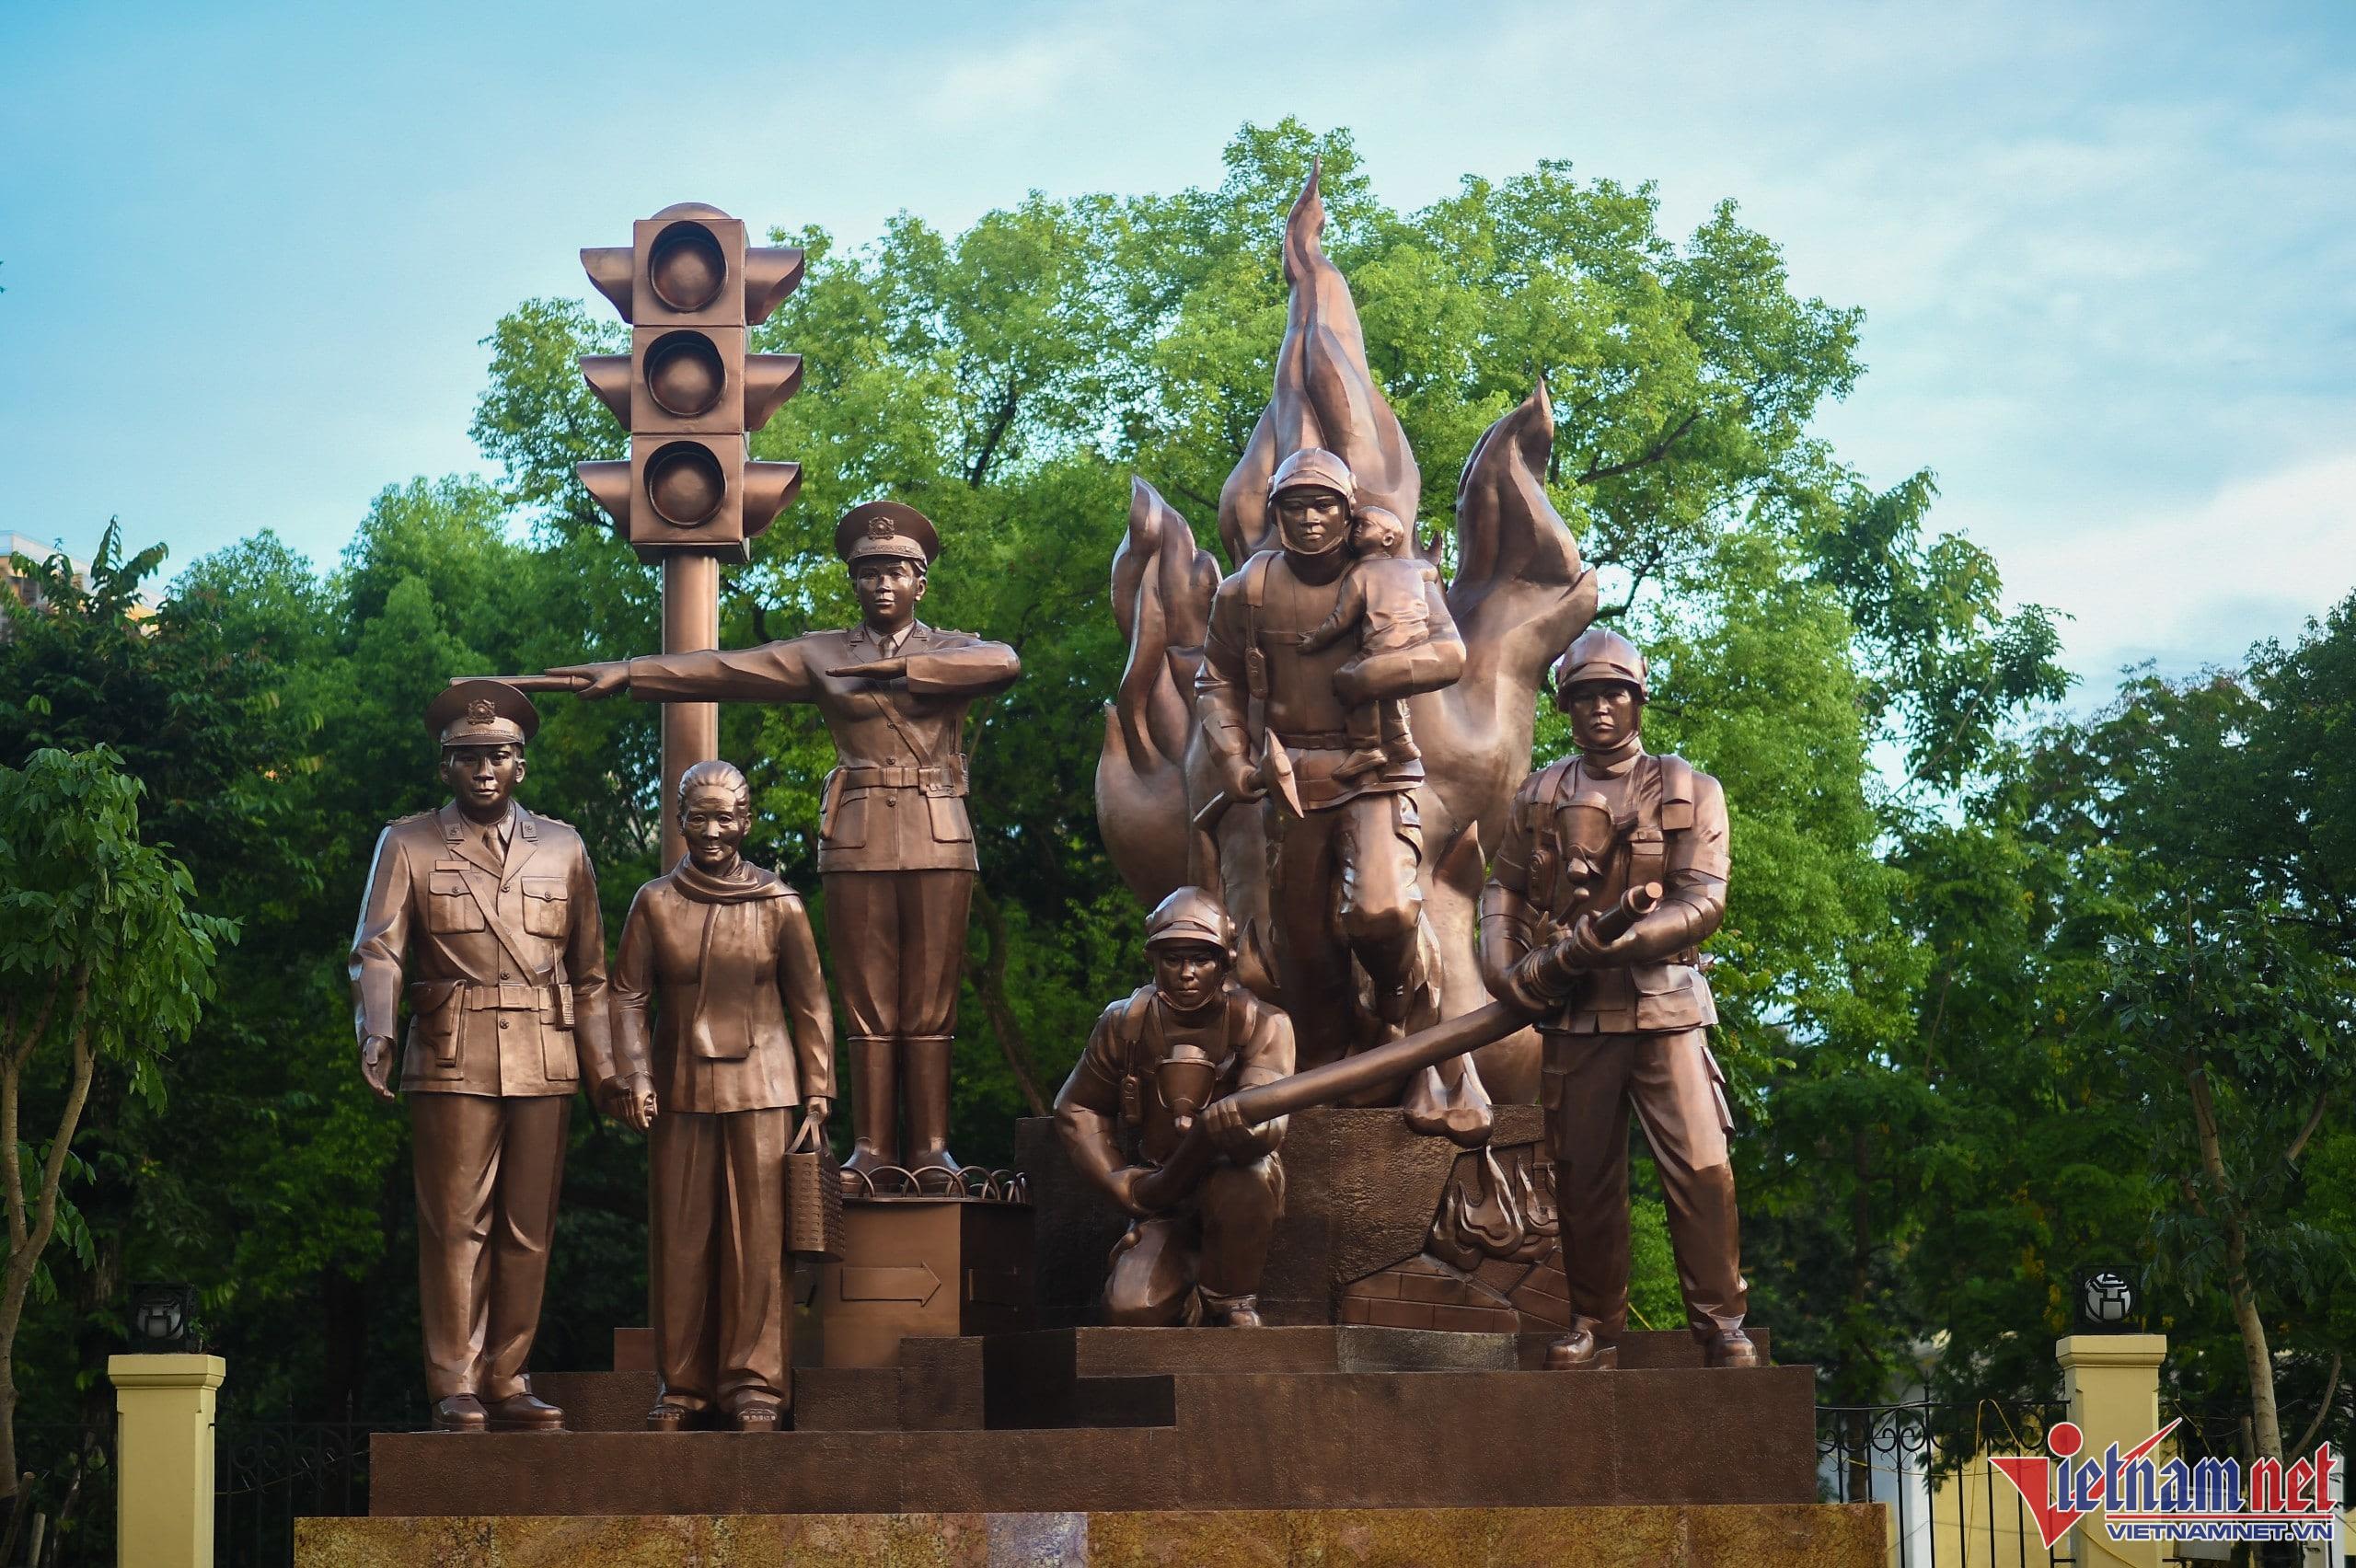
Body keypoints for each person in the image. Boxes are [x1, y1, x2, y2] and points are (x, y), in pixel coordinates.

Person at [546, 502, 1021, 1191]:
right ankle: (871, 1148)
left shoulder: (953, 648)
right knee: (868, 1001)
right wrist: (631, 673)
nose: (881, 585)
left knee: (930, 1002)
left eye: (895, 572)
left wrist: (899, 673)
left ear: (920, 583)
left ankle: (932, 1149)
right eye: (868, 574)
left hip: (938, 828)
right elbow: (722, 669)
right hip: (857, 834)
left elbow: (1005, 662)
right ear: (853, 583)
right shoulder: (823, 653)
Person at [349, 679, 646, 1432]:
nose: (485, 769)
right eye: (468, 756)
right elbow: (379, 950)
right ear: (445, 767)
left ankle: (508, 1377)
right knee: (455, 1225)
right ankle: (456, 1382)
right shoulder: (408, 842)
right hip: (451, 1053)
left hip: (545, 1056)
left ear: (521, 765)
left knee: (527, 1227)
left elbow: (590, 976)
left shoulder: (564, 847)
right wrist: (377, 1030)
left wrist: (607, 1073)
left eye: (499, 755)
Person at [1478, 627, 1760, 1370]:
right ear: (1565, 706)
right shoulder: (1540, 793)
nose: (1599, 708)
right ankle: (1594, 1325)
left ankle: (1722, 1324)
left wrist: (1622, 942)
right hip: (1575, 1013)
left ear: (1638, 700)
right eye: (1583, 696)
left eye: (1613, 694)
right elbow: (1504, 889)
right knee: (1582, 1179)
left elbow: (1703, 899)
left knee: (1702, 1167)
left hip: (1666, 1007)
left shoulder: (1688, 789)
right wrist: (1503, 967)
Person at [1195, 448, 1487, 1141]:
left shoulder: (1394, 575)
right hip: (1292, 780)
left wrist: (1378, 675)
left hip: (1376, 772)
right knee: (1302, 942)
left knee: (1383, 910)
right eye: (1294, 506)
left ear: (1348, 511)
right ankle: (1327, 1068)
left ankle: (1399, 1018)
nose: (1309, 519)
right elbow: (1216, 680)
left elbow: (1450, 654)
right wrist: (1234, 761)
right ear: (1277, 512)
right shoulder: (1246, 590)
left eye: (1323, 504)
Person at [612, 760, 833, 1432]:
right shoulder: (654, 903)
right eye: (700, 818)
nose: (712, 832)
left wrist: (818, 1094)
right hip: (678, 1086)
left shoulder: (779, 903)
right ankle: (681, 1385)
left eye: (725, 818)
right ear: (680, 821)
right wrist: (636, 1075)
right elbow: (627, 997)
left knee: (757, 1242)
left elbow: (811, 1002)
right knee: (681, 1239)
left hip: (764, 1087)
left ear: (746, 822)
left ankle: (753, 1384)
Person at [1053, 888, 1293, 1327]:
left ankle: (1229, 1299)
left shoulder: (1263, 1023)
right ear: (1154, 960)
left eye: (1200, 959)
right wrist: (1115, 1177)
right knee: (1131, 1309)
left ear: (1224, 961)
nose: (1186, 974)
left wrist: (1242, 1127)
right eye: (1173, 959)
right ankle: (1178, 1270)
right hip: (1163, 1190)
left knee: (1249, 1176)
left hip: (1232, 1178)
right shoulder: (1124, 1025)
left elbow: (1270, 1115)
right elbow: (1078, 1107)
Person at [1295, 505, 1454, 782]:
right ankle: (1401, 742)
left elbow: (1340, 619)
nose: (1355, 529)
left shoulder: (1359, 574)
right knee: (1385, 690)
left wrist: (1313, 643)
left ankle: (1367, 747)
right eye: (1355, 525)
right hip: (1419, 649)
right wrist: (1430, 568)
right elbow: (1429, 570)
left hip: (1384, 650)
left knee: (1348, 679)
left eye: (1364, 525)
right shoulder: (1410, 567)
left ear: (1388, 539)